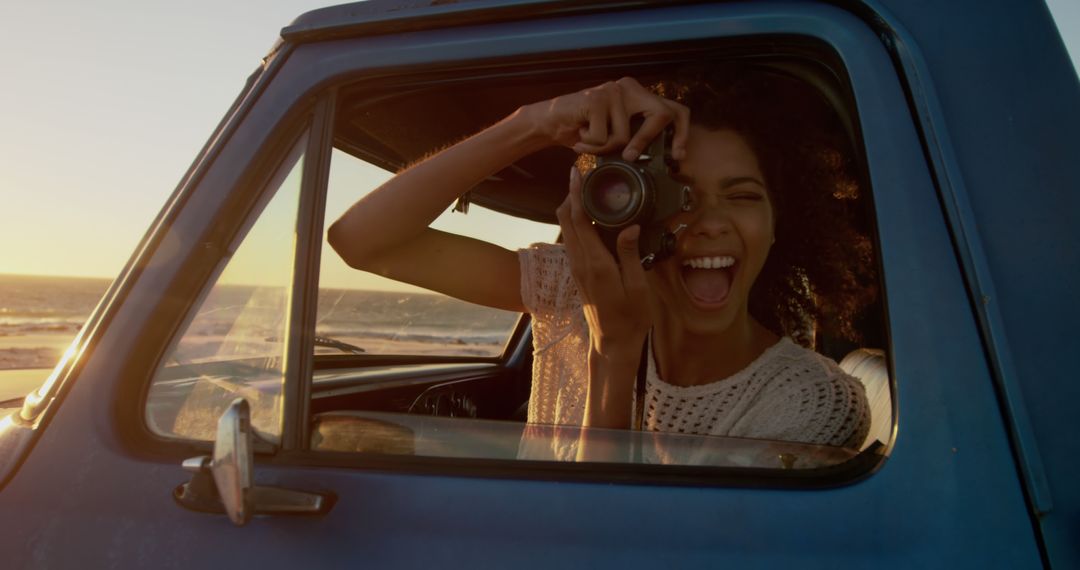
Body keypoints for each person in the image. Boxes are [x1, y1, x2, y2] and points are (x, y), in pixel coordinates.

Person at [328, 67, 873, 452]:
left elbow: (608, 548)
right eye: (677, 192)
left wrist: (614, 355)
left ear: (778, 226)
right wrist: (531, 124)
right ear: (632, 209)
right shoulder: (578, 289)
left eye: (743, 195)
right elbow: (363, 240)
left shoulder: (813, 405)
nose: (709, 220)